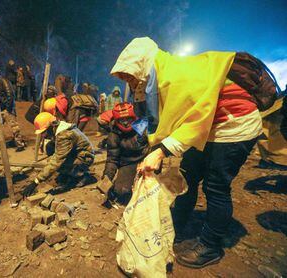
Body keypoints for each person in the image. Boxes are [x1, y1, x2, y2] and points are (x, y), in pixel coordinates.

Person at [111, 37, 263, 268]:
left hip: (233, 125)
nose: (130, 83)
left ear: (141, 65)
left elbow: (195, 120)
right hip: (209, 127)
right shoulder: (160, 80)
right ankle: (176, 225)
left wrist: (159, 152)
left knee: (216, 186)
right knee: (187, 175)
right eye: (125, 79)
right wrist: (156, 150)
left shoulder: (176, 77)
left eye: (129, 76)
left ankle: (210, 246)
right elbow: (165, 122)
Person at [22, 112, 96, 196]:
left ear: (52, 126)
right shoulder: (59, 128)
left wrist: (36, 182)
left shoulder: (64, 135)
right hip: (76, 153)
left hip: (85, 158)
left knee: (55, 163)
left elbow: (56, 161)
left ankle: (81, 176)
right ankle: (69, 172)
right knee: (50, 146)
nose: (43, 135)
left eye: (44, 132)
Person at [102, 103, 149, 203]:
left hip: (146, 160)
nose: (126, 123)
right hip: (127, 163)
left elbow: (154, 146)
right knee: (122, 193)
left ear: (134, 117)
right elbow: (112, 159)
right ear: (116, 120)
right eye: (121, 120)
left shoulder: (143, 126)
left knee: (150, 190)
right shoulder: (114, 135)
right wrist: (106, 178)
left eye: (129, 119)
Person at [0, 73, 26, 152]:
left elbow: (10, 94)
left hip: (8, 109)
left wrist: (8, 108)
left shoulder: (4, 81)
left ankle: (20, 144)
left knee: (14, 127)